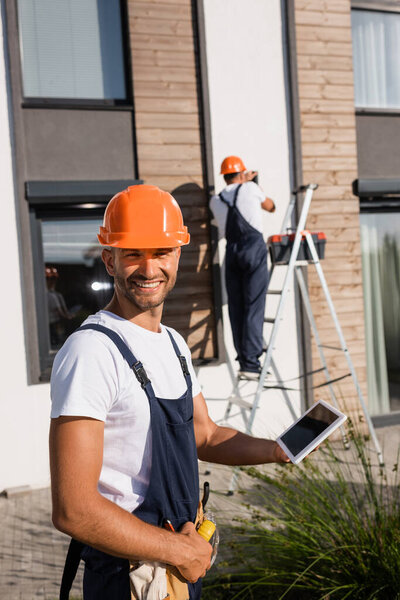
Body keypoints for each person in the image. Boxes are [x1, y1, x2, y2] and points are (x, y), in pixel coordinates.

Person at [50, 184, 289, 600]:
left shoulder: (175, 344)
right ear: (109, 259)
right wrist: (179, 550)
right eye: (132, 253)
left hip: (178, 564)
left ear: (178, 255)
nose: (148, 268)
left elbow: (205, 435)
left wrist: (277, 450)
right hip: (130, 576)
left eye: (160, 252)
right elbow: (74, 508)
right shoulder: (91, 351)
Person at [210, 156, 276, 379]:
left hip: (232, 253)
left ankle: (244, 360)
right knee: (254, 305)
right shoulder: (250, 188)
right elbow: (271, 207)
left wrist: (245, 181)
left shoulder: (215, 200)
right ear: (241, 173)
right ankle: (251, 363)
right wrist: (253, 183)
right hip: (253, 249)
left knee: (236, 308)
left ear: (224, 176)